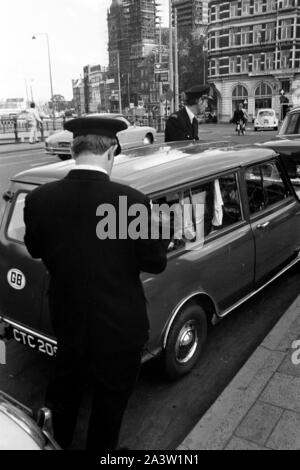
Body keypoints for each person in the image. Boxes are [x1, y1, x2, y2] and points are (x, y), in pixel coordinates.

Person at [23, 116, 169, 450]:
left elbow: (35, 249)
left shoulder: (39, 199)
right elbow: (155, 263)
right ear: (112, 151)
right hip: (119, 328)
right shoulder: (131, 202)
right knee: (109, 406)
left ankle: (55, 443)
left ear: (75, 149)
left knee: (66, 395)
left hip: (68, 319)